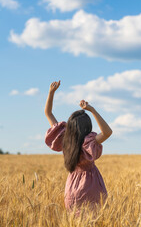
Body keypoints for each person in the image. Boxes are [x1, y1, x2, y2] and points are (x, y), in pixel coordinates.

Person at [44, 80, 112, 216]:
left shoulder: (64, 139)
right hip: (91, 186)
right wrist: (92, 110)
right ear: (87, 127)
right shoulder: (88, 142)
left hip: (71, 187)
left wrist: (51, 92)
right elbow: (107, 132)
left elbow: (48, 113)